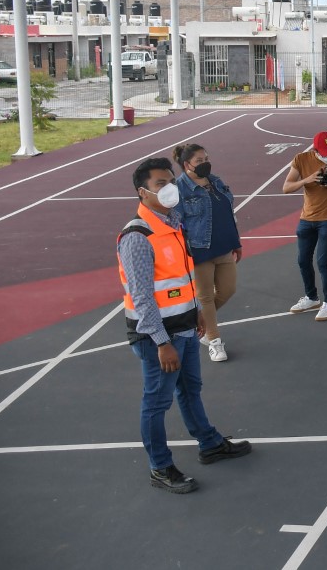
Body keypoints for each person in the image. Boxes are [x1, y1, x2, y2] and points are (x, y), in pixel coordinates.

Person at [120, 157, 252, 494]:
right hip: (157, 337)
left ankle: (208, 443)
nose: (169, 189)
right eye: (160, 184)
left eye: (170, 181)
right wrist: (162, 342)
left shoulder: (174, 225)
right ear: (142, 192)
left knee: (190, 388)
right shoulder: (138, 236)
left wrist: (196, 312)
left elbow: (180, 279)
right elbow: (143, 295)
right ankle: (160, 467)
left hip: (184, 326)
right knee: (157, 402)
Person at [172, 142, 241, 363]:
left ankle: (200, 321)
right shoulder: (179, 189)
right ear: (186, 164)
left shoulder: (216, 181)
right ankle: (214, 340)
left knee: (228, 290)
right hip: (200, 250)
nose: (205, 164)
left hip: (223, 246)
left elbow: (228, 212)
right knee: (205, 297)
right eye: (199, 161)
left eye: (206, 159)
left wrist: (236, 241)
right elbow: (176, 223)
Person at [282, 131, 327, 321]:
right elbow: (286, 187)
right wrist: (309, 179)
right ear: (315, 149)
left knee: (323, 261)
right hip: (306, 218)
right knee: (303, 260)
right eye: (324, 152)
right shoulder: (301, 159)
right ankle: (311, 297)